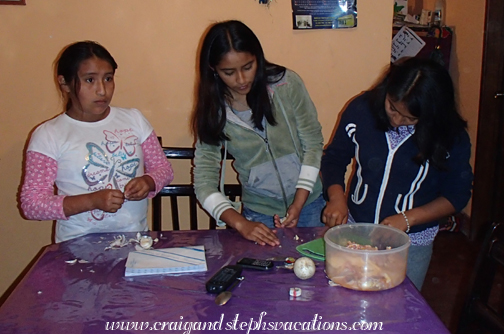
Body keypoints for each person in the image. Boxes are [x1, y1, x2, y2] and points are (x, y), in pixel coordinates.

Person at [320, 57, 473, 290]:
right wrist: (336, 197)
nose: (397, 120)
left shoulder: (450, 136)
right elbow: (334, 158)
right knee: (348, 300)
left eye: (410, 118)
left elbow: (457, 194)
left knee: (399, 306)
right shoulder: (362, 110)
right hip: (357, 231)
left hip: (411, 242)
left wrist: (407, 219)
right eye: (392, 107)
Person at [20, 41, 173, 242]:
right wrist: (91, 201)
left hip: (136, 241)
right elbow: (32, 204)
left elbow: (164, 169)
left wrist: (148, 181)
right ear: (64, 83)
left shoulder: (134, 120)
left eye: (108, 79)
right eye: (90, 80)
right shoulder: (49, 135)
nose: (102, 90)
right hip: (77, 246)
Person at [192, 20, 325, 247]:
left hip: (310, 203)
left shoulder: (287, 84)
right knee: (267, 278)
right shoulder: (214, 112)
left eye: (248, 67)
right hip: (259, 214)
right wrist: (240, 223)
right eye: (229, 72)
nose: (241, 80)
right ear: (213, 69)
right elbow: (204, 182)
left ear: (258, 58)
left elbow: (313, 143)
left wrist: (299, 200)